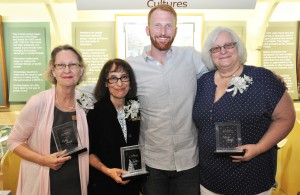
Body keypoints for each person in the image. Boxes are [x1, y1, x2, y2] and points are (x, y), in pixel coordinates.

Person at [192, 26, 295, 194]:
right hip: (210, 179)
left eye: (228, 45)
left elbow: (286, 118)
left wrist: (259, 148)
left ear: (238, 48)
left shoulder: (262, 78)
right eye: (216, 48)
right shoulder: (202, 82)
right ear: (210, 54)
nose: (223, 51)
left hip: (252, 176)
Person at [125, 4, 208, 195]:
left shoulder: (191, 57)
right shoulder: (132, 66)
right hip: (152, 163)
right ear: (147, 30)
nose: (163, 32)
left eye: (168, 26)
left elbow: (224, 70)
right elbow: (106, 85)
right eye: (157, 26)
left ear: (176, 31)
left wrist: (258, 77)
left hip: (189, 161)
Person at [7, 44, 92, 195]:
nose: (67, 70)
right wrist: (43, 160)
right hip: (44, 182)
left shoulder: (86, 102)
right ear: (53, 69)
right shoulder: (38, 102)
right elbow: (14, 141)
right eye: (61, 65)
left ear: (81, 69)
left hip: (77, 183)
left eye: (73, 64)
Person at [87, 58, 142, 195]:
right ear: (106, 83)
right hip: (104, 183)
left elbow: (134, 143)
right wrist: (108, 171)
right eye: (113, 78)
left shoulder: (133, 106)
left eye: (124, 77)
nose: (119, 83)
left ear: (130, 81)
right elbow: (89, 152)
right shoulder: (95, 112)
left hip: (131, 182)